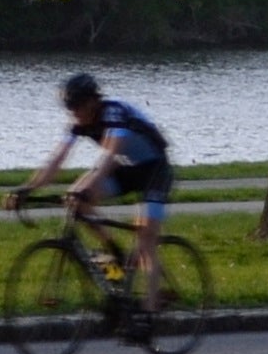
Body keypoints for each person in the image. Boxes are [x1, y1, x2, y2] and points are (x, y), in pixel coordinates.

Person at [14, 72, 172, 309]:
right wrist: (28, 188)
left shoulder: (114, 113)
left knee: (146, 238)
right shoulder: (78, 124)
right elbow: (57, 159)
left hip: (155, 169)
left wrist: (88, 186)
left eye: (78, 106)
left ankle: (149, 310)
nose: (74, 112)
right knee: (75, 199)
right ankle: (114, 249)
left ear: (93, 101)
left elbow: (109, 154)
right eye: (69, 107)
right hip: (126, 167)